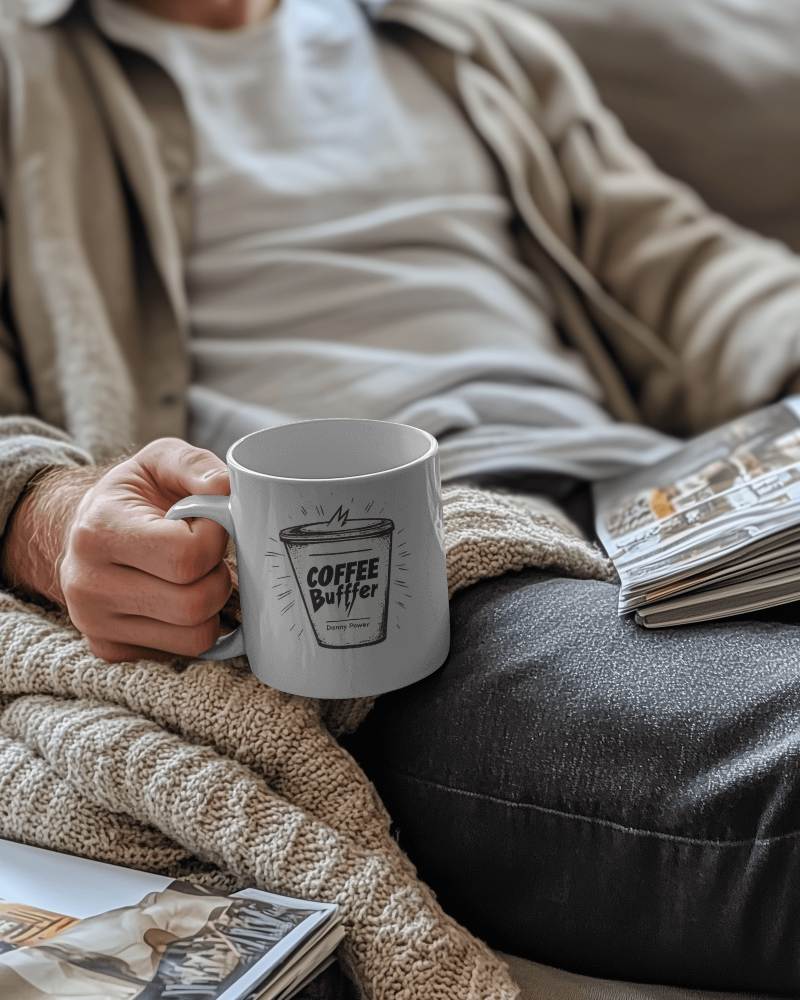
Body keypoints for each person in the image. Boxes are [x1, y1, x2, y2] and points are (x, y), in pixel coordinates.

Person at [1, 0, 800, 993]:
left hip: (652, 490)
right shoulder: (23, 67)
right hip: (413, 564)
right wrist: (48, 510)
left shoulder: (462, 34)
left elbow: (686, 268)